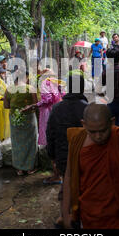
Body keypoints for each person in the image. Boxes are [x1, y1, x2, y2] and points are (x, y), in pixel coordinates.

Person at [46, 74, 88, 227]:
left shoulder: (57, 108)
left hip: (63, 158)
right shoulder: (86, 108)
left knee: (67, 184)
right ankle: (75, 216)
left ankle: (67, 216)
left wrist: (52, 156)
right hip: (83, 158)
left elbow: (50, 134)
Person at [4, 71, 39, 176]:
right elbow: (36, 104)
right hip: (29, 118)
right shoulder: (30, 88)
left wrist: (17, 107)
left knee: (17, 143)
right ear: (25, 77)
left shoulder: (8, 90)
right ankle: (29, 168)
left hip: (15, 118)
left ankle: (19, 169)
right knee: (30, 142)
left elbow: (6, 106)